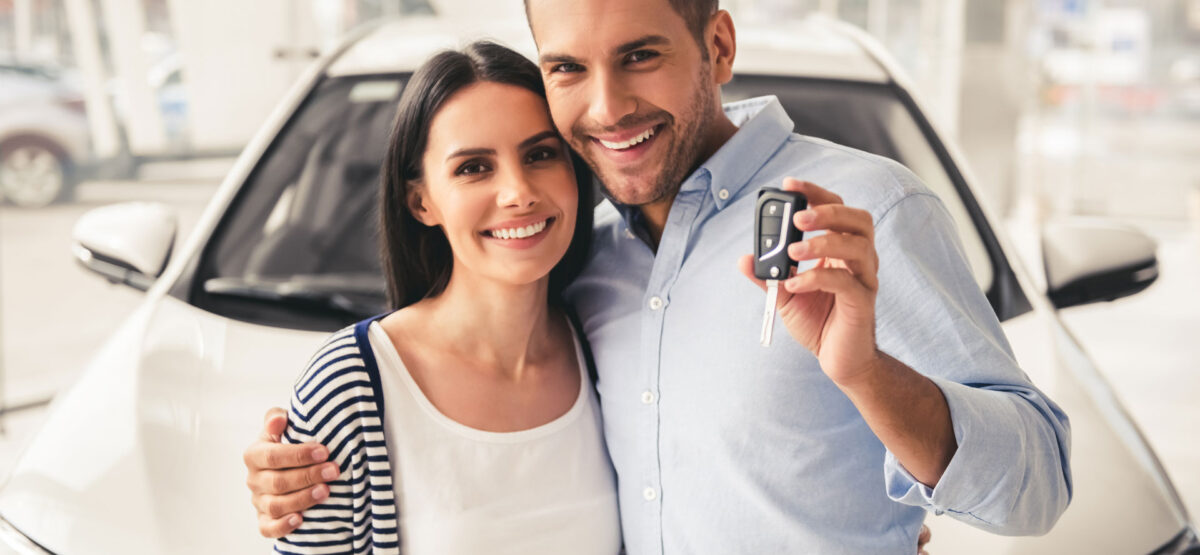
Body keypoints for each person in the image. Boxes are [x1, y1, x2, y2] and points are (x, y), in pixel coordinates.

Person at [246, 0, 1072, 552]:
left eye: (639, 56)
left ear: (717, 45)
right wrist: (295, 477)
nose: (606, 107)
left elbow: (1037, 489)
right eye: (567, 68)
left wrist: (868, 378)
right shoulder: (583, 264)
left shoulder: (866, 211)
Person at [265, 41, 621, 554]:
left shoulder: (608, 337)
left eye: (541, 154)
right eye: (474, 167)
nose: (518, 192)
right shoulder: (352, 385)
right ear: (421, 201)